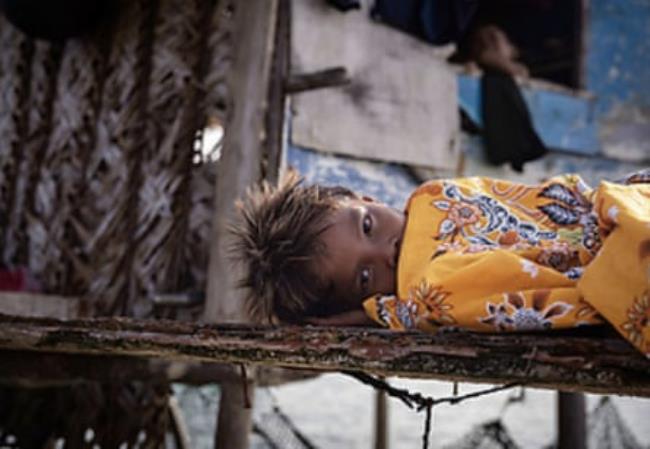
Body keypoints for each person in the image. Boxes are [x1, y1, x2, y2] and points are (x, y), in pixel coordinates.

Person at [233, 170, 650, 356]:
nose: (387, 252)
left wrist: (371, 313)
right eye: (365, 276)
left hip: (609, 216)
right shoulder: (426, 290)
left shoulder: (436, 198)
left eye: (367, 226)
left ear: (370, 201)